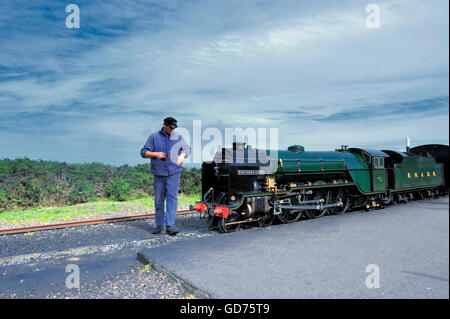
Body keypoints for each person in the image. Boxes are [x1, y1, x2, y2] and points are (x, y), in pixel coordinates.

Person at [140, 117, 190, 235]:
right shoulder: (154, 137)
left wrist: (182, 155)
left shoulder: (178, 137)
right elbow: (143, 152)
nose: (172, 130)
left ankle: (170, 226)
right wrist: (155, 154)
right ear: (165, 125)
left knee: (172, 198)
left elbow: (187, 149)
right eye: (170, 128)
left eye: (174, 128)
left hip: (174, 173)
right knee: (159, 200)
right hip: (159, 173)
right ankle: (159, 225)